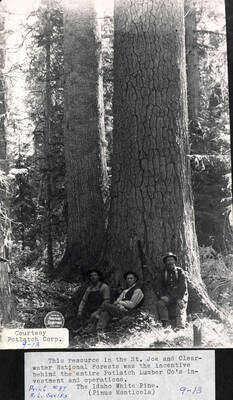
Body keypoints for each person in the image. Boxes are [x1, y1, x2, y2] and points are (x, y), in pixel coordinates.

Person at [157, 252, 188, 329]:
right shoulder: (163, 272)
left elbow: (183, 286)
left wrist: (180, 298)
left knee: (180, 306)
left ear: (174, 261)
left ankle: (180, 326)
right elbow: (158, 285)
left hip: (181, 295)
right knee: (160, 303)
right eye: (168, 260)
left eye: (171, 260)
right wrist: (162, 296)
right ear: (165, 263)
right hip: (169, 296)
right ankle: (165, 323)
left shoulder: (180, 271)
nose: (170, 262)